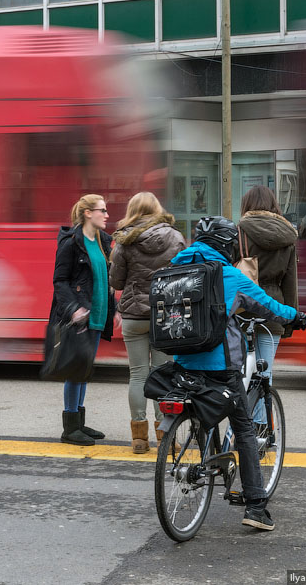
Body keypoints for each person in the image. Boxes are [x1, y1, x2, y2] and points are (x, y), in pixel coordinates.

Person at [169, 215, 306, 531]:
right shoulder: (230, 277)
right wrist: (296, 316)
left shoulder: (174, 270)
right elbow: (269, 307)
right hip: (221, 368)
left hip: (181, 363)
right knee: (244, 427)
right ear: (226, 245)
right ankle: (256, 507)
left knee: (202, 412)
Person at [110, 192, 185, 454]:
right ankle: (166, 434)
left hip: (133, 316)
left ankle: (139, 438)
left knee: (138, 374)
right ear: (157, 209)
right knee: (164, 374)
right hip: (165, 316)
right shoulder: (175, 237)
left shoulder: (125, 239)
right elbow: (184, 278)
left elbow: (116, 282)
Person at [48, 194, 117, 446]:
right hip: (79, 314)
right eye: (102, 210)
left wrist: (115, 307)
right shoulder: (71, 242)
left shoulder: (103, 241)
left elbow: (104, 279)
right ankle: (70, 428)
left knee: (84, 370)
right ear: (88, 213)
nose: (107, 215)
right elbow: (60, 281)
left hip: (97, 314)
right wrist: (73, 309)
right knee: (76, 371)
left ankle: (79, 421)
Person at [236, 185, 298, 386]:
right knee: (265, 374)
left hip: (242, 307)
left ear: (246, 204)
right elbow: (290, 282)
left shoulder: (239, 231)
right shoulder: (288, 236)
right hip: (273, 307)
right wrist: (290, 318)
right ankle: (262, 418)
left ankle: (240, 417)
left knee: (241, 372)